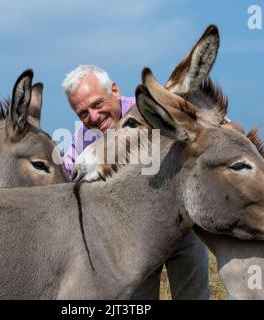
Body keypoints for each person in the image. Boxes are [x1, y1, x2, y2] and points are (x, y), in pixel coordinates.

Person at [61, 65, 210, 300]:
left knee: (193, 296)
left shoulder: (149, 109)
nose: (93, 117)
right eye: (82, 113)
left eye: (97, 104)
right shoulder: (82, 137)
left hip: (182, 229)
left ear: (115, 91)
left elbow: (208, 130)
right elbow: (65, 174)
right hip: (133, 238)